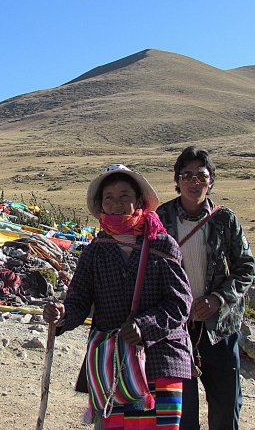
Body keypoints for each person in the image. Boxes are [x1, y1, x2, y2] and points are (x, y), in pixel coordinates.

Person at [44, 164, 192, 430]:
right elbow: (78, 301)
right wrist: (63, 315)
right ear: (101, 205)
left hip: (161, 358)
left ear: (139, 202)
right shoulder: (95, 251)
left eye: (125, 196)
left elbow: (180, 303)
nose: (117, 203)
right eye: (109, 198)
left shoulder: (162, 244)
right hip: (112, 363)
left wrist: (144, 327)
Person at [156, 147, 255, 430]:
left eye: (201, 175)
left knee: (225, 410)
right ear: (177, 180)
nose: (193, 181)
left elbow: (246, 267)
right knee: (182, 415)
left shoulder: (226, 220)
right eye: (186, 175)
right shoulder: (160, 219)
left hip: (220, 330)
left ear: (211, 180)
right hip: (176, 331)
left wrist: (218, 298)